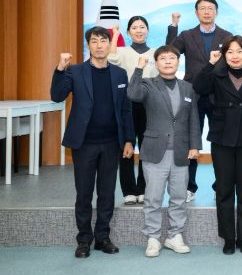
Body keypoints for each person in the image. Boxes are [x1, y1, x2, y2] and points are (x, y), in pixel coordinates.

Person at [50, 26, 135, 258]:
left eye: (103, 40)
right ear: (88, 46)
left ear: (109, 44)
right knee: (84, 194)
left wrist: (129, 140)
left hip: (111, 143)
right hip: (84, 143)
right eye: (94, 41)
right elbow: (57, 96)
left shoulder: (119, 74)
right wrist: (60, 68)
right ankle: (84, 240)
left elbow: (126, 110)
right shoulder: (75, 71)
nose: (99, 45)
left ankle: (102, 238)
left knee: (107, 193)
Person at [193, 36, 242, 255]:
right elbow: (199, 87)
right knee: (224, 190)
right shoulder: (215, 75)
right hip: (222, 139)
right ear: (224, 55)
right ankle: (228, 238)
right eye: (230, 52)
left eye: (239, 52)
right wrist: (210, 63)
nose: (235, 56)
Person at [127, 45, 202, 258]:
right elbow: (133, 94)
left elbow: (193, 118)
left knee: (179, 197)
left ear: (178, 61)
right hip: (155, 151)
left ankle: (174, 236)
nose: (168, 61)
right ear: (156, 63)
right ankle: (152, 237)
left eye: (172, 58)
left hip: (181, 151)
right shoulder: (148, 84)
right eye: (163, 58)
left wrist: (195, 145)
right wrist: (139, 69)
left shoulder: (187, 87)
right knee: (153, 198)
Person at [166, 0, 233, 202]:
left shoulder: (227, 36)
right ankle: (189, 187)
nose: (206, 12)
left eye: (210, 8)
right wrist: (174, 26)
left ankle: (220, 186)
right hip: (193, 94)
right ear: (196, 13)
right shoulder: (187, 35)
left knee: (220, 141)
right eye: (202, 8)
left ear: (216, 12)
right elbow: (170, 52)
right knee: (190, 141)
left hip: (219, 95)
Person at [108, 15, 158, 205]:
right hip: (126, 104)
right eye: (134, 27)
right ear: (128, 32)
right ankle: (129, 190)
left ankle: (143, 188)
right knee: (126, 145)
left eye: (142, 27)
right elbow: (111, 58)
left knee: (147, 147)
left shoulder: (155, 53)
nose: (139, 30)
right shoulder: (122, 51)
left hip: (149, 105)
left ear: (148, 31)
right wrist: (115, 35)